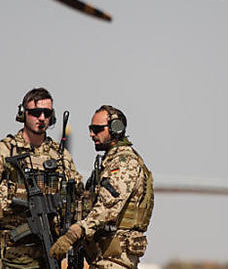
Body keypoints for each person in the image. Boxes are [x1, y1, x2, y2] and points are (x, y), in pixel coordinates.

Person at [0, 88, 82, 269]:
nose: (41, 118)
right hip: (10, 253)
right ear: (24, 114)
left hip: (48, 253)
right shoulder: (5, 151)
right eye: (36, 113)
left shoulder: (60, 156)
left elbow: (76, 199)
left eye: (47, 113)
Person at [49, 105, 153, 269]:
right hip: (103, 257)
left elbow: (107, 207)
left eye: (97, 129)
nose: (92, 134)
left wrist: (76, 232)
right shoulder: (108, 163)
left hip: (116, 258)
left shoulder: (124, 163)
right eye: (91, 129)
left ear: (115, 129)